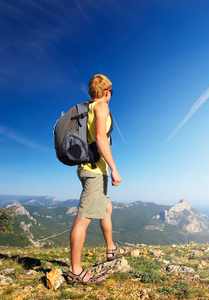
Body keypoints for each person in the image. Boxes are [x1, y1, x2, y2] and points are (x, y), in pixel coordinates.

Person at [67, 74, 130, 285]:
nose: (111, 94)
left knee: (106, 208)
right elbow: (101, 138)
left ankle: (111, 249)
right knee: (83, 218)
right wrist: (114, 169)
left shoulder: (86, 110)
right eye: (111, 91)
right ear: (106, 91)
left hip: (90, 168)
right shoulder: (101, 107)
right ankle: (75, 271)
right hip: (95, 171)